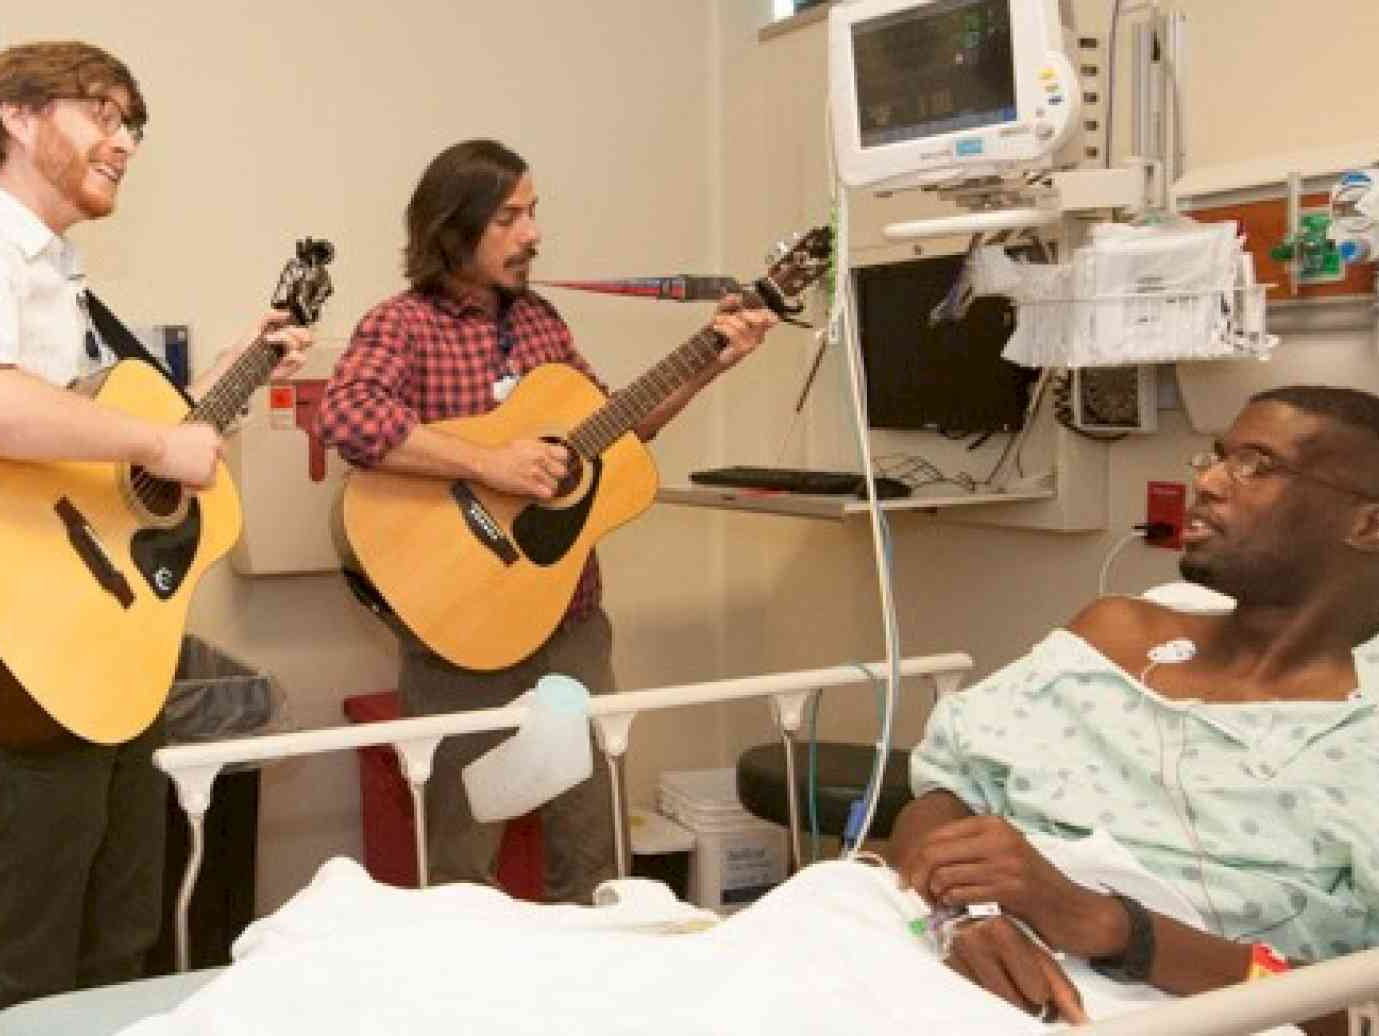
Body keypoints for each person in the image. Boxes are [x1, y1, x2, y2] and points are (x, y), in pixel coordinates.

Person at [315, 138, 777, 905]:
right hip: (459, 631)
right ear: (451, 228)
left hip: (570, 621)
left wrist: (712, 359)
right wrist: (486, 463)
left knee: (592, 842)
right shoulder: (401, 325)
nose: (532, 233)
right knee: (458, 858)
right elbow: (349, 418)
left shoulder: (541, 324)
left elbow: (616, 431)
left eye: (533, 214)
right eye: (509, 217)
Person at [887, 385, 1379, 1034]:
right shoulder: (1116, 636)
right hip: (939, 945)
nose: (1205, 482)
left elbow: (1349, 1016)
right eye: (1213, 456)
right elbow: (941, 793)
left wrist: (1109, 926)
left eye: (1254, 465)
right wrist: (963, 916)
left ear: (1367, 524)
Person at [0, 40, 311, 1009]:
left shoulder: (63, 281)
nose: (123, 139)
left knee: (121, 932)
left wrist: (236, 367)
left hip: (104, 662)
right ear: (16, 114)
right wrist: (155, 440)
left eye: (132, 123)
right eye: (100, 111)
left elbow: (116, 445)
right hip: (27, 660)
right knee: (31, 950)